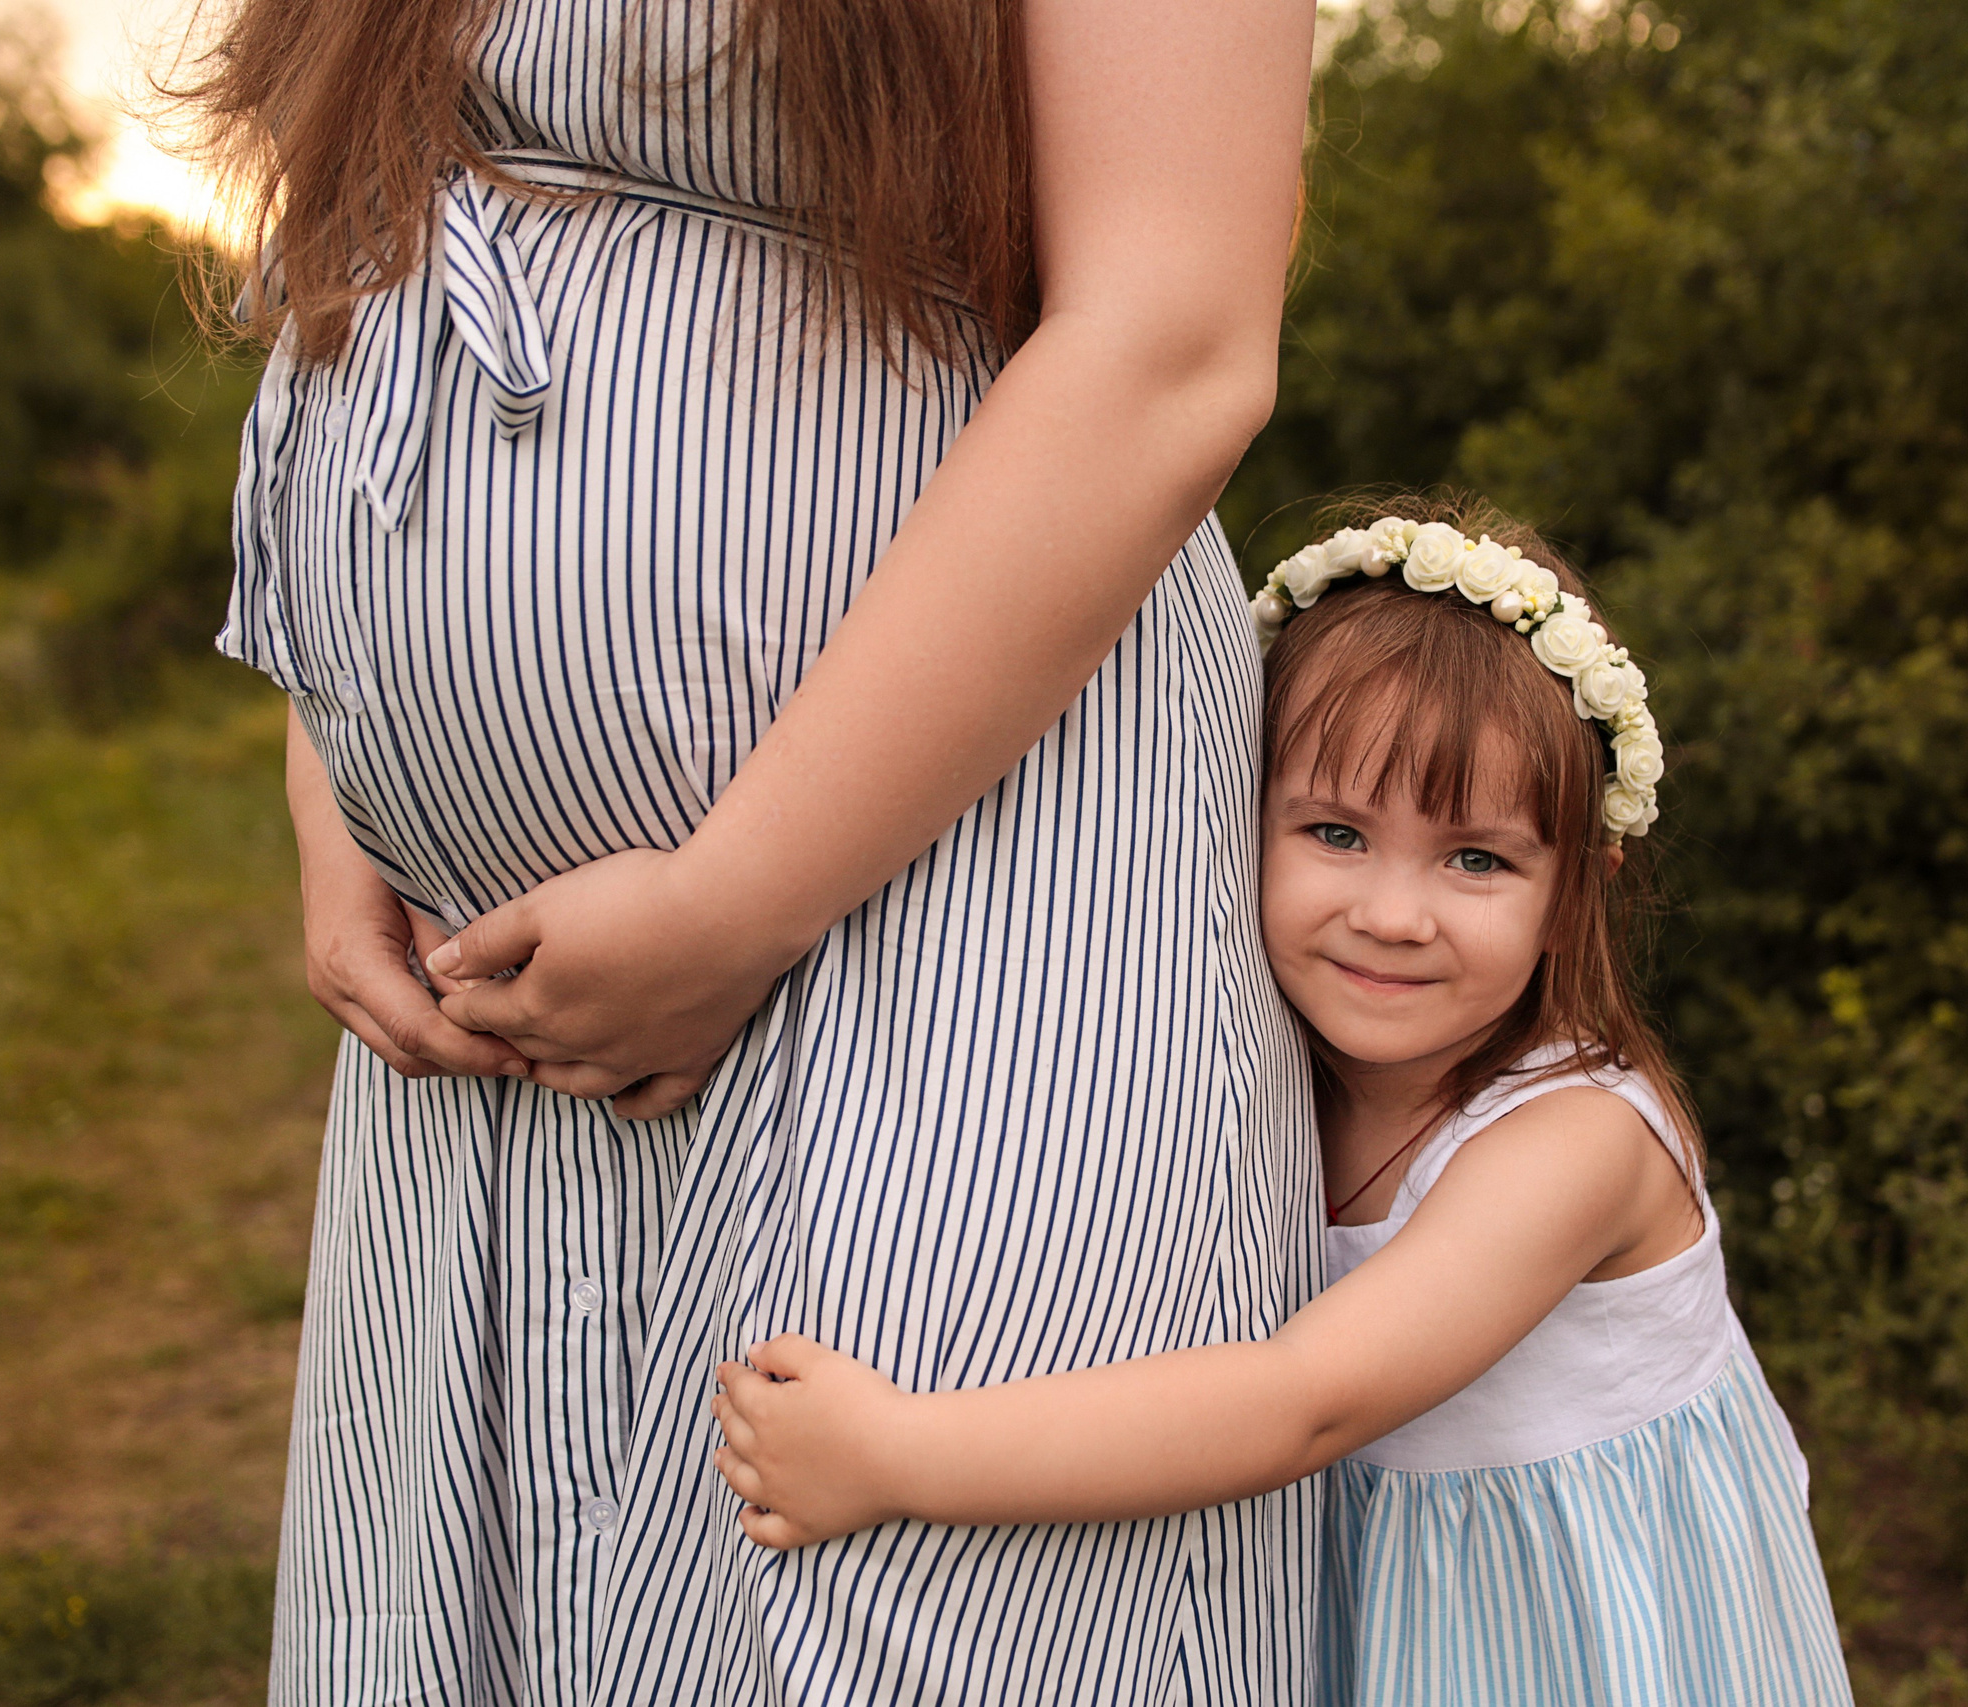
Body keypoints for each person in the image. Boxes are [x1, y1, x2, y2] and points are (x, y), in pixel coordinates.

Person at [181, 0, 1319, 1697]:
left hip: (955, 892)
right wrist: (334, 758)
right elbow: (374, 225)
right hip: (483, 1032)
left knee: (899, 1615)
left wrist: (730, 907)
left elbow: (1172, 338)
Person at [710, 499, 1856, 1707]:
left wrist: (901, 1457)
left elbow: (1305, 1403)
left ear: (1577, 887)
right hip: (1385, 1599)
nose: (1393, 913)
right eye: (1334, 832)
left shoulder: (1575, 1141)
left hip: (1590, 1622)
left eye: (1476, 858)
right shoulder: (1266, 1066)